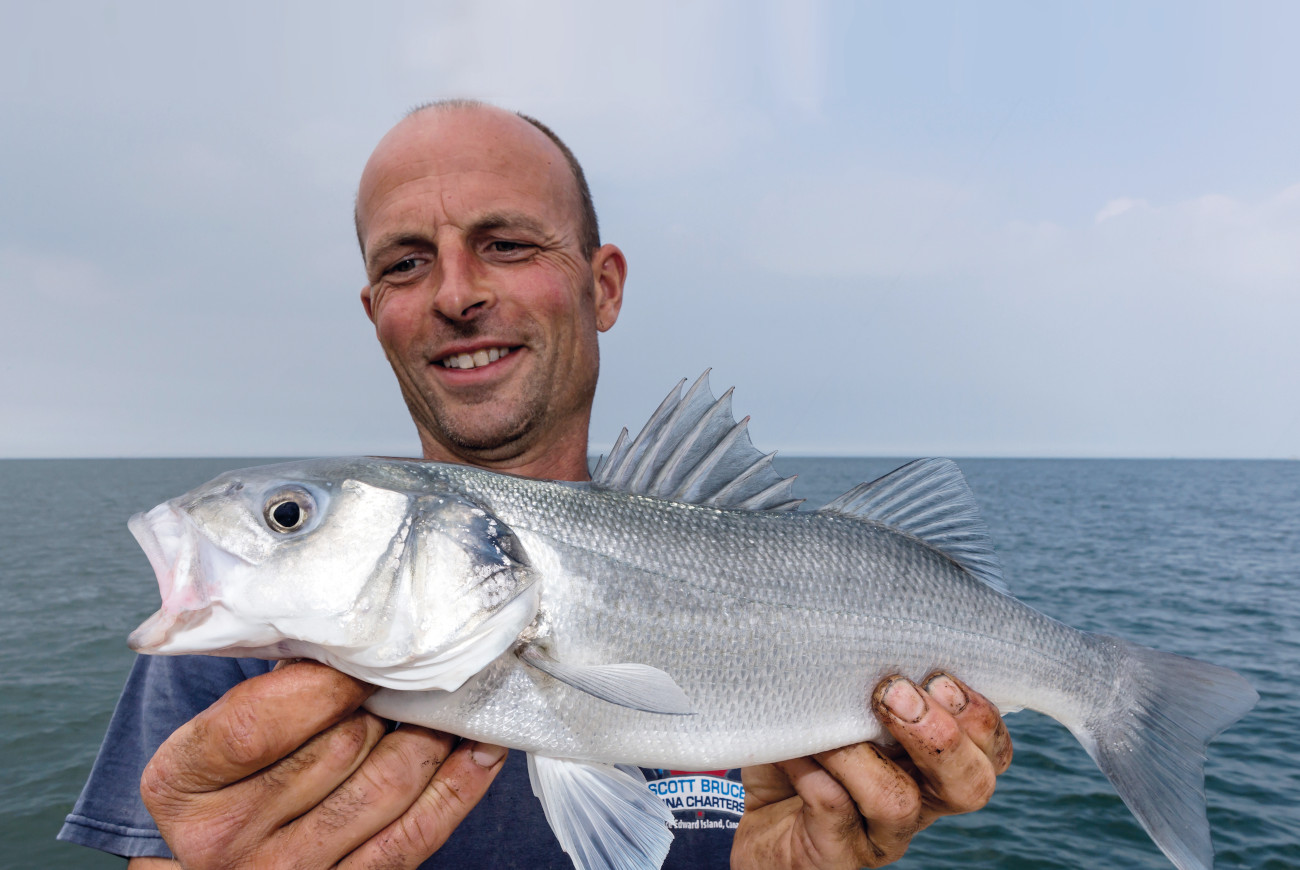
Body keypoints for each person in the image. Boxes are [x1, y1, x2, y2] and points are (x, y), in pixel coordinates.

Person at [60, 100, 1012, 869]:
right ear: (376, 312)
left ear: (603, 286)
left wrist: (785, 862)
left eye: (508, 244)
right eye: (405, 262)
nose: (454, 293)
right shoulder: (236, 650)